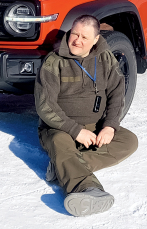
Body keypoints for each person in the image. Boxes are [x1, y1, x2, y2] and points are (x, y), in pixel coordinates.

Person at [35, 15, 138, 217]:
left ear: (96, 40)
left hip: (95, 127)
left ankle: (63, 166)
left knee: (129, 141)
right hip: (59, 128)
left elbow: (117, 93)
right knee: (59, 143)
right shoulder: (54, 62)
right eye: (74, 34)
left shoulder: (105, 58)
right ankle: (88, 189)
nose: (77, 40)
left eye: (84, 37)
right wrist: (75, 130)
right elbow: (45, 106)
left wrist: (110, 125)